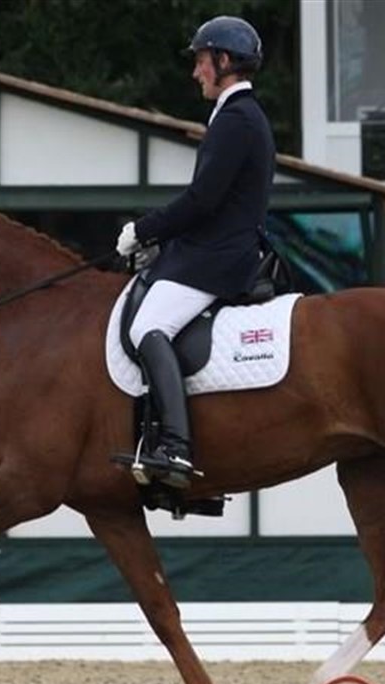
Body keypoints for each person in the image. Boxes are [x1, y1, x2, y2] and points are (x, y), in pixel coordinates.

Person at [113, 15, 274, 489]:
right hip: (214, 249)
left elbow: (203, 200)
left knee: (147, 327)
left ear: (223, 61)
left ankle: (176, 447)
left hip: (217, 259)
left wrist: (143, 230)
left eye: (201, 61)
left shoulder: (236, 119)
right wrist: (162, 243)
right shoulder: (240, 116)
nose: (195, 71)